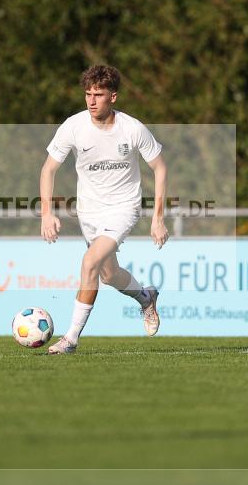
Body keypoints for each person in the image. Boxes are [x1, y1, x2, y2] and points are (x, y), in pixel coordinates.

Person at [40, 65, 168, 354]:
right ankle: (146, 298)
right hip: (89, 213)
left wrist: (158, 219)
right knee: (108, 274)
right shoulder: (73, 126)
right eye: (87, 94)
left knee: (89, 263)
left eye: (98, 94)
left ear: (114, 97)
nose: (91, 100)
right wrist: (47, 213)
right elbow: (48, 170)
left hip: (124, 208)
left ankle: (70, 338)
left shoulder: (132, 129)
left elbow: (160, 168)